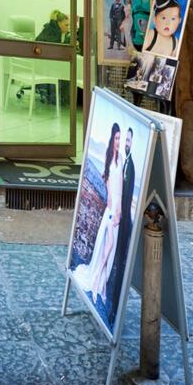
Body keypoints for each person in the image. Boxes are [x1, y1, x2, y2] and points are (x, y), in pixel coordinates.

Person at [72, 123, 123, 306]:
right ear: (112, 139)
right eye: (116, 138)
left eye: (120, 138)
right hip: (111, 207)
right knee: (106, 246)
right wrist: (111, 204)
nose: (118, 141)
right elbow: (108, 180)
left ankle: (101, 284)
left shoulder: (121, 159)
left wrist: (120, 209)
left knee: (111, 246)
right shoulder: (110, 157)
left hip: (117, 207)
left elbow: (121, 187)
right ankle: (97, 282)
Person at [106, 128, 135, 327]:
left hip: (123, 219)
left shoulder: (130, 165)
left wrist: (119, 215)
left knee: (121, 262)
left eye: (127, 140)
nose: (125, 142)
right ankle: (111, 305)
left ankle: (114, 310)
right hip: (117, 213)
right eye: (123, 139)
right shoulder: (123, 161)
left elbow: (126, 195)